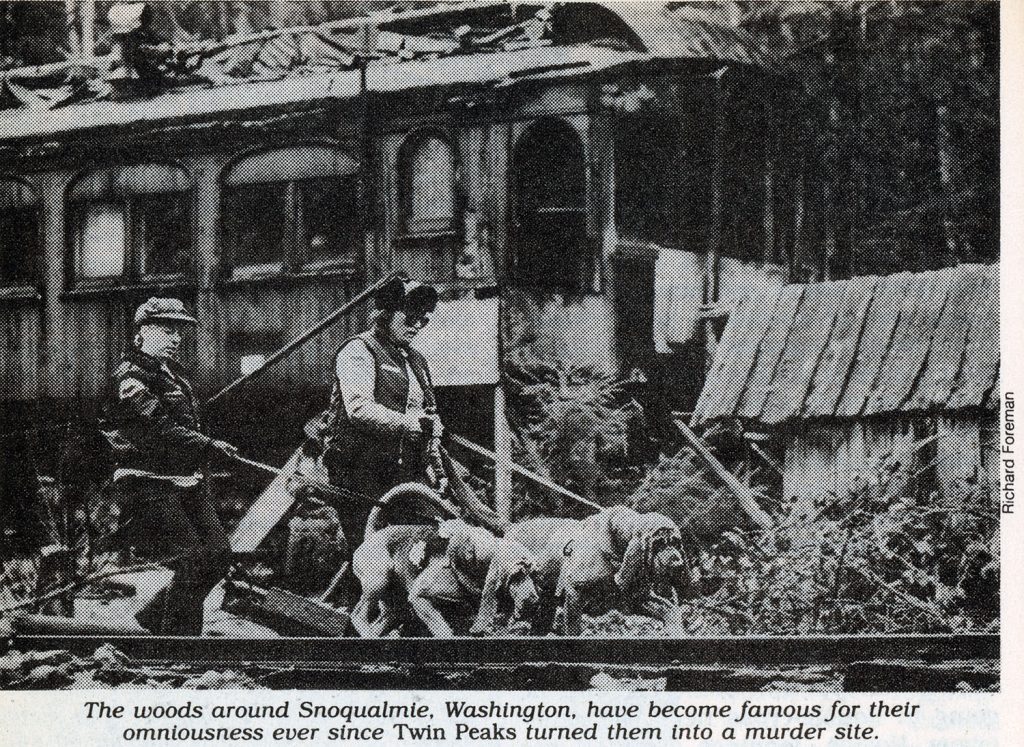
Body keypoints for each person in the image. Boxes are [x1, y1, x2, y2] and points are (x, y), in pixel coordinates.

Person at [100, 298, 238, 635]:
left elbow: (186, 425)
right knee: (193, 558)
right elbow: (159, 429)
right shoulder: (129, 378)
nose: (176, 338)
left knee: (219, 553)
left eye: (179, 331)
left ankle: (152, 619)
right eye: (167, 330)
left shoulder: (172, 376)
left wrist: (204, 444)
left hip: (183, 480)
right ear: (143, 332)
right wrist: (208, 445)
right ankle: (180, 643)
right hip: (148, 483)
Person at [321, 277, 442, 539]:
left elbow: (428, 415)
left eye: (424, 318)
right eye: (410, 315)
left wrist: (437, 466)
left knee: (424, 542)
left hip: (405, 473)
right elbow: (359, 409)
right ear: (387, 314)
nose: (417, 325)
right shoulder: (359, 351)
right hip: (361, 471)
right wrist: (408, 424)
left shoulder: (417, 360)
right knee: (372, 555)